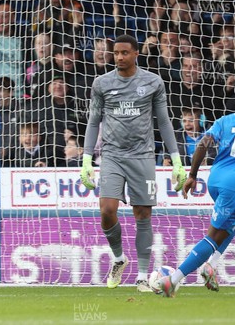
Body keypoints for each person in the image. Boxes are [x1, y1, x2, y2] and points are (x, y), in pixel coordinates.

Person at [80, 34, 186, 292]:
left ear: (136, 53)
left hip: (143, 156)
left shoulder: (152, 82)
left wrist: (176, 160)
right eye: (115, 53)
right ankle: (118, 258)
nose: (119, 57)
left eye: (124, 52)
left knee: (143, 215)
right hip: (112, 156)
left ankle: (141, 276)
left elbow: (163, 122)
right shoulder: (101, 84)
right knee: (106, 210)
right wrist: (86, 159)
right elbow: (94, 122)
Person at [158, 82, 235, 297]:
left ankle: (211, 265)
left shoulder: (226, 120)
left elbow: (203, 144)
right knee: (213, 237)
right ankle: (173, 281)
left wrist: (192, 175)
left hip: (216, 181)